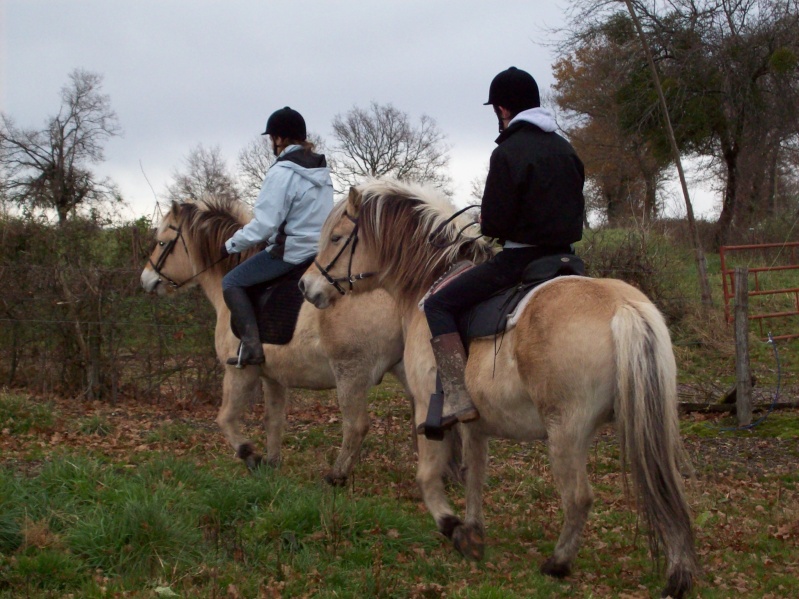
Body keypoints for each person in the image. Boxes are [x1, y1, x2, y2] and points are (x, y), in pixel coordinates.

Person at [420, 67, 585, 433]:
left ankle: (455, 398)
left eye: (496, 109)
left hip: (521, 260)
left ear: (502, 109)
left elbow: (495, 225)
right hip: (568, 258)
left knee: (438, 304)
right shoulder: (566, 149)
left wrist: (485, 221)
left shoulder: (508, 151)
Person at [221, 106, 334, 367]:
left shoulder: (282, 172)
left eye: (272, 138)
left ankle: (251, 348)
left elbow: (264, 225)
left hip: (290, 252)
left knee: (232, 281)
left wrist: (229, 246)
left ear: (280, 139)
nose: (272, 143)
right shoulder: (321, 172)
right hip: (318, 249)